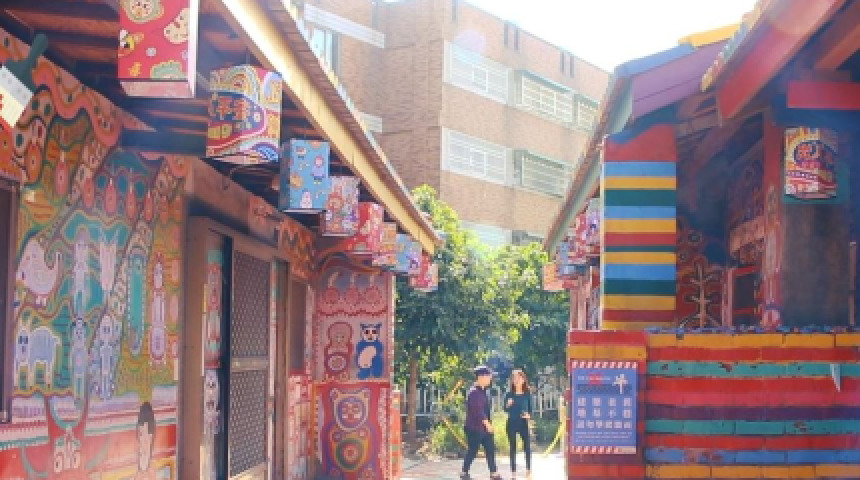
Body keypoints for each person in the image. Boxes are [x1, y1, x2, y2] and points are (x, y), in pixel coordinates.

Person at [461, 366, 502, 480]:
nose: (490, 379)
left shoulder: (484, 391)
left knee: (490, 449)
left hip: (484, 428)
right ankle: (464, 472)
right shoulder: (474, 392)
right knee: (473, 450)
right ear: (481, 377)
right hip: (474, 428)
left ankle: (493, 473)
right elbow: (478, 412)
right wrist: (488, 425)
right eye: (489, 376)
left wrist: (488, 425)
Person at [503, 369, 533, 478]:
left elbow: (531, 410)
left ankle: (528, 470)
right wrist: (508, 405)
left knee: (527, 447)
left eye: (519, 378)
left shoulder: (527, 393)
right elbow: (505, 409)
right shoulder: (509, 394)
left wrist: (528, 415)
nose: (516, 380)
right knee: (513, 448)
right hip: (512, 423)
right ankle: (513, 473)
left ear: (523, 379)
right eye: (514, 378)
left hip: (523, 423)